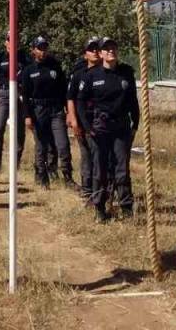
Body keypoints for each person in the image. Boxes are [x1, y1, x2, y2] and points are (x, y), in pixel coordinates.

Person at [76, 37, 140, 221]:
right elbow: (80, 101)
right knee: (100, 169)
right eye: (107, 49)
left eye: (113, 48)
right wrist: (87, 127)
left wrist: (135, 124)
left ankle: (126, 209)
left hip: (121, 127)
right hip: (100, 129)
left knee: (122, 169)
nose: (110, 51)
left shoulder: (126, 73)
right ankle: (100, 209)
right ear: (101, 53)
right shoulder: (91, 75)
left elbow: (133, 101)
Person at [17, 36, 71, 189]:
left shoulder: (55, 66)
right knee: (41, 145)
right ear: (33, 50)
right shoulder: (28, 70)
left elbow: (63, 89)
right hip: (38, 110)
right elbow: (25, 96)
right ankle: (41, 176)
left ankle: (67, 177)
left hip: (56, 109)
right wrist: (27, 116)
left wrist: (67, 109)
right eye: (40, 48)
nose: (43, 51)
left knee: (62, 145)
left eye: (45, 47)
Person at [66, 37, 102, 199]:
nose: (95, 52)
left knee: (101, 157)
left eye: (97, 48)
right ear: (85, 54)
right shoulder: (79, 74)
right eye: (91, 49)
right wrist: (73, 119)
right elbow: (71, 98)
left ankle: (101, 190)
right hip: (83, 121)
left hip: (102, 122)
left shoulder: (108, 72)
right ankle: (88, 190)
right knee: (87, 156)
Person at [0, 35, 25, 174]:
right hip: (3, 95)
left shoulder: (23, 57)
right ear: (5, 42)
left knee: (20, 131)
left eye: (14, 39)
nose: (11, 42)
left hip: (19, 96)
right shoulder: (0, 57)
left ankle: (16, 163)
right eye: (9, 40)